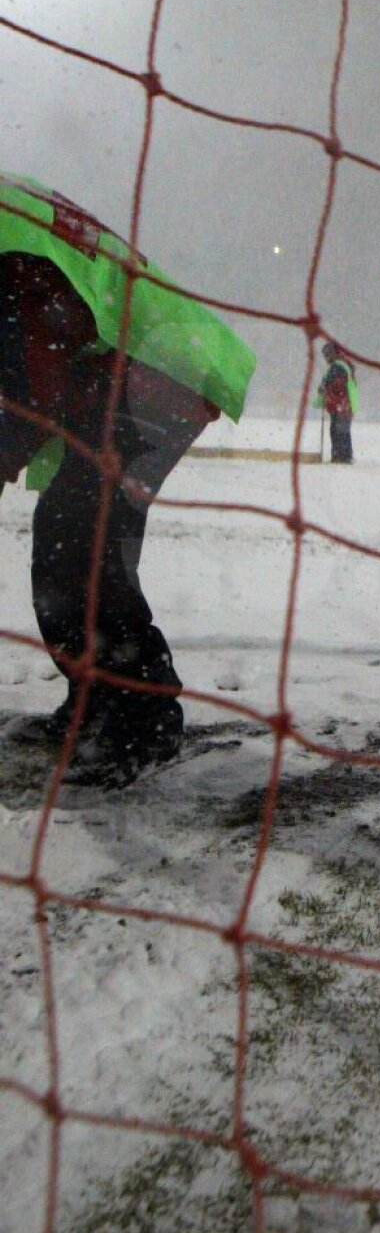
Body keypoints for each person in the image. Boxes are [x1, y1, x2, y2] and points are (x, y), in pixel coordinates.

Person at [0, 173, 257, 785]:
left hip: (161, 370)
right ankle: (97, 699)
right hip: (129, 369)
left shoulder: (12, 254)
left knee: (86, 536)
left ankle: (142, 718)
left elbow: (39, 373)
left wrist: (6, 453)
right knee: (68, 530)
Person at [315, 340, 358, 463]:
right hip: (343, 405)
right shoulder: (343, 365)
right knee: (340, 430)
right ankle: (343, 456)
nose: (326, 358)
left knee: (338, 431)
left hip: (341, 404)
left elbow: (336, 385)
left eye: (326, 355)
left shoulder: (338, 366)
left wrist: (324, 388)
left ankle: (341, 457)